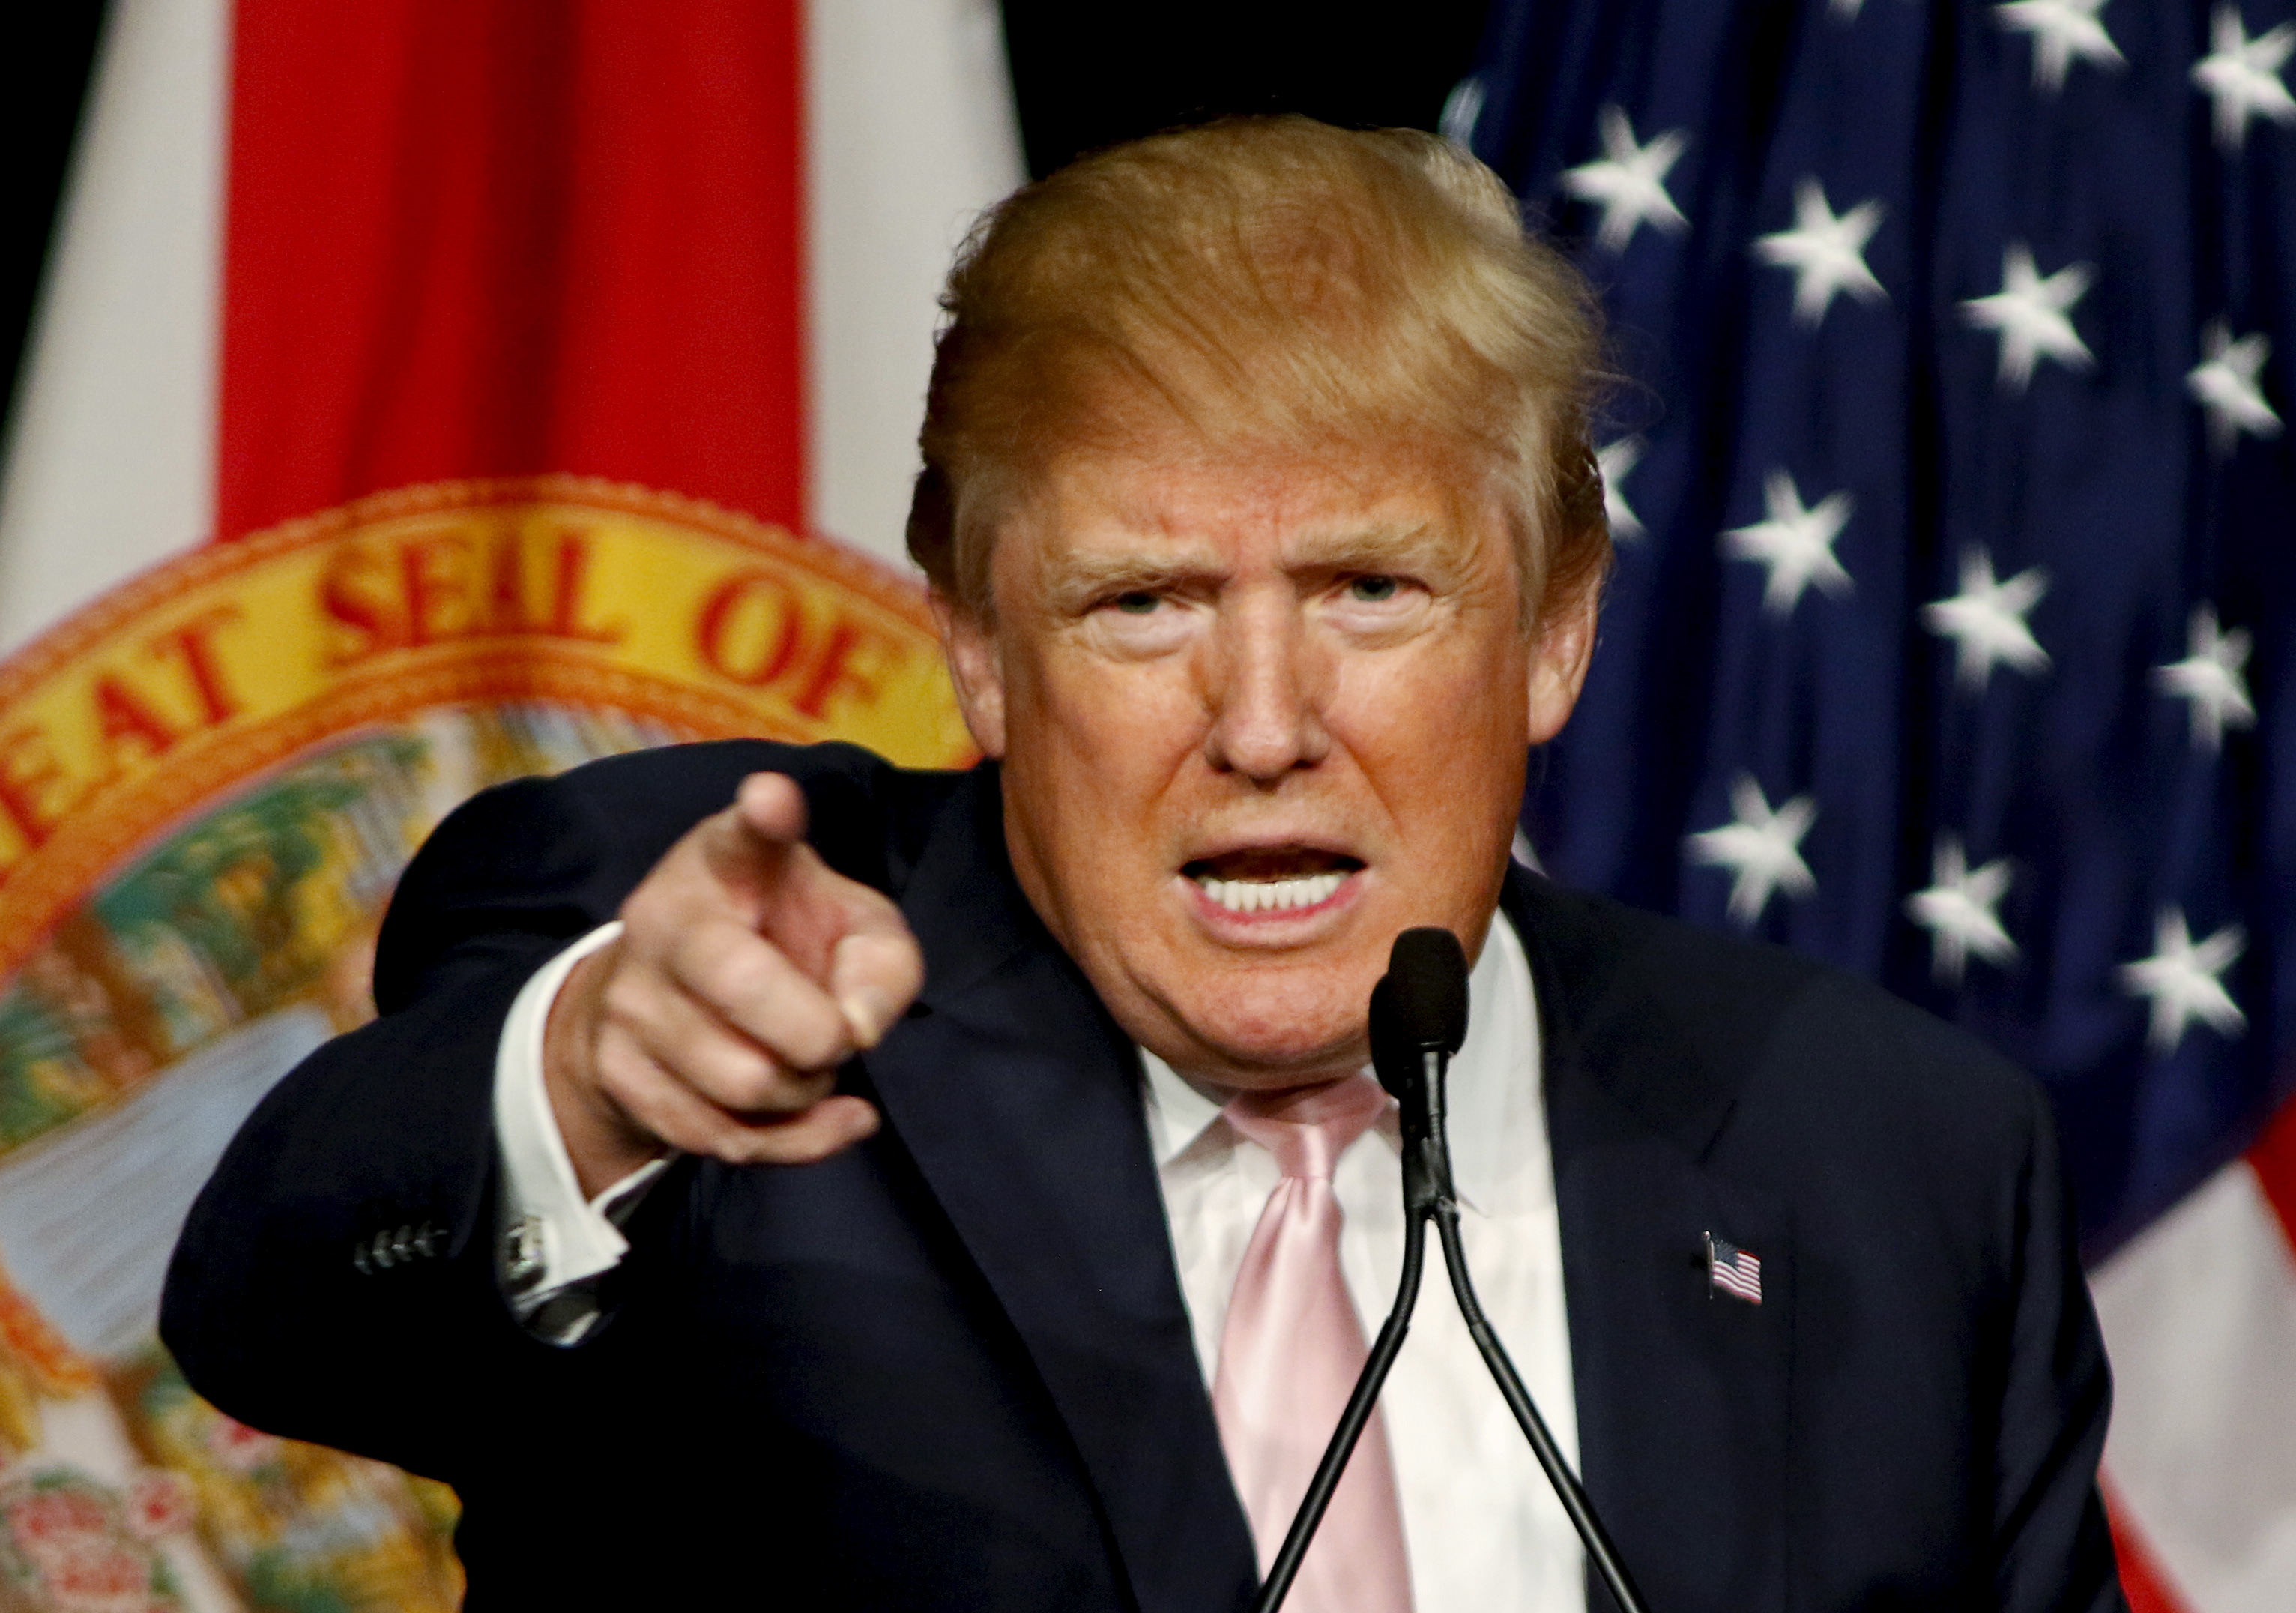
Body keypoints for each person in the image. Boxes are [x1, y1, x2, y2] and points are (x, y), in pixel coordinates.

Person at [162, 118, 2123, 1613]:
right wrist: (592, 1079)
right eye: (1141, 601)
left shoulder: (1894, 1160)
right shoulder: (748, 981)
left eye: (1371, 588)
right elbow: (274, 1295)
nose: (1262, 719)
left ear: (1553, 630)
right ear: (977, 648)